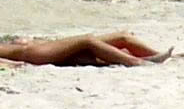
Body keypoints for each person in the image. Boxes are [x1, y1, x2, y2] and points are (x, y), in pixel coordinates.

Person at [1, 31, 174, 66]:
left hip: (45, 48)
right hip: (34, 54)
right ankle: (136, 62)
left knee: (123, 37)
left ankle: (171, 57)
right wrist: (11, 65)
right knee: (88, 41)